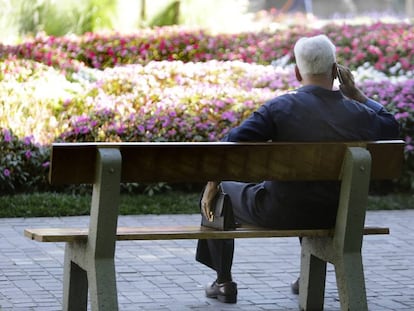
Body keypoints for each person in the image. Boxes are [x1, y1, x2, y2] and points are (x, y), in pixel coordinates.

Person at [195, 34, 400, 304]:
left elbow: (229, 147)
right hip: (337, 212)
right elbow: (391, 126)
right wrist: (358, 94)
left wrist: (212, 183)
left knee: (225, 190)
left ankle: (223, 282)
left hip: (280, 212)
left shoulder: (279, 108)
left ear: (296, 72)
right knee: (313, 189)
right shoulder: (357, 112)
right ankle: (305, 277)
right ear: (336, 70)